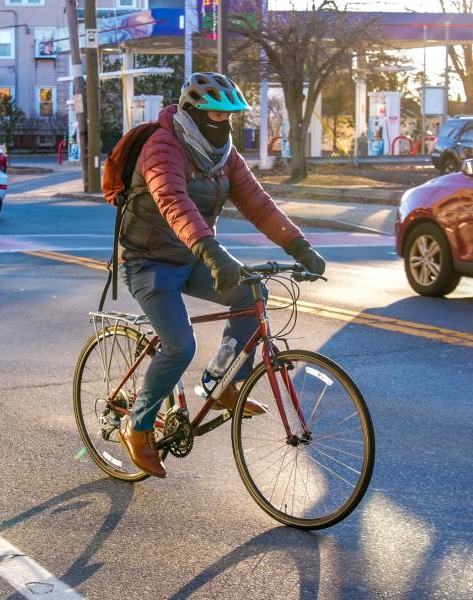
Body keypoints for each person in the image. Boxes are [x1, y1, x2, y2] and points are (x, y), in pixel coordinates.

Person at [117, 72, 326, 478]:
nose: (223, 121)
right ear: (193, 112)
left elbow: (258, 204)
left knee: (251, 293)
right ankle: (137, 424)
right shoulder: (163, 146)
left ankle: (222, 381)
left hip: (194, 254)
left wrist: (299, 246)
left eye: (229, 114)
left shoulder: (224, 153)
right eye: (215, 113)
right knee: (179, 346)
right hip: (148, 260)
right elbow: (174, 203)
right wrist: (213, 254)